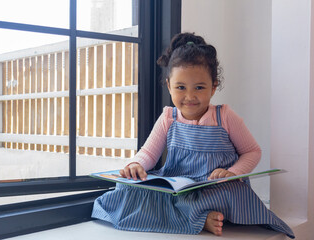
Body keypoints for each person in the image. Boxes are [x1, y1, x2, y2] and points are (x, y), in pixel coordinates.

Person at [92, 32, 294, 238]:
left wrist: (232, 172)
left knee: (226, 194)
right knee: (126, 189)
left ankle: (194, 215)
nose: (190, 96)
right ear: (169, 85)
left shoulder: (224, 116)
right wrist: (136, 165)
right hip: (179, 188)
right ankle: (199, 218)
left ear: (213, 87)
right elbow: (149, 153)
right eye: (180, 87)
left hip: (214, 187)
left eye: (199, 87)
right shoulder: (168, 118)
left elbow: (252, 151)